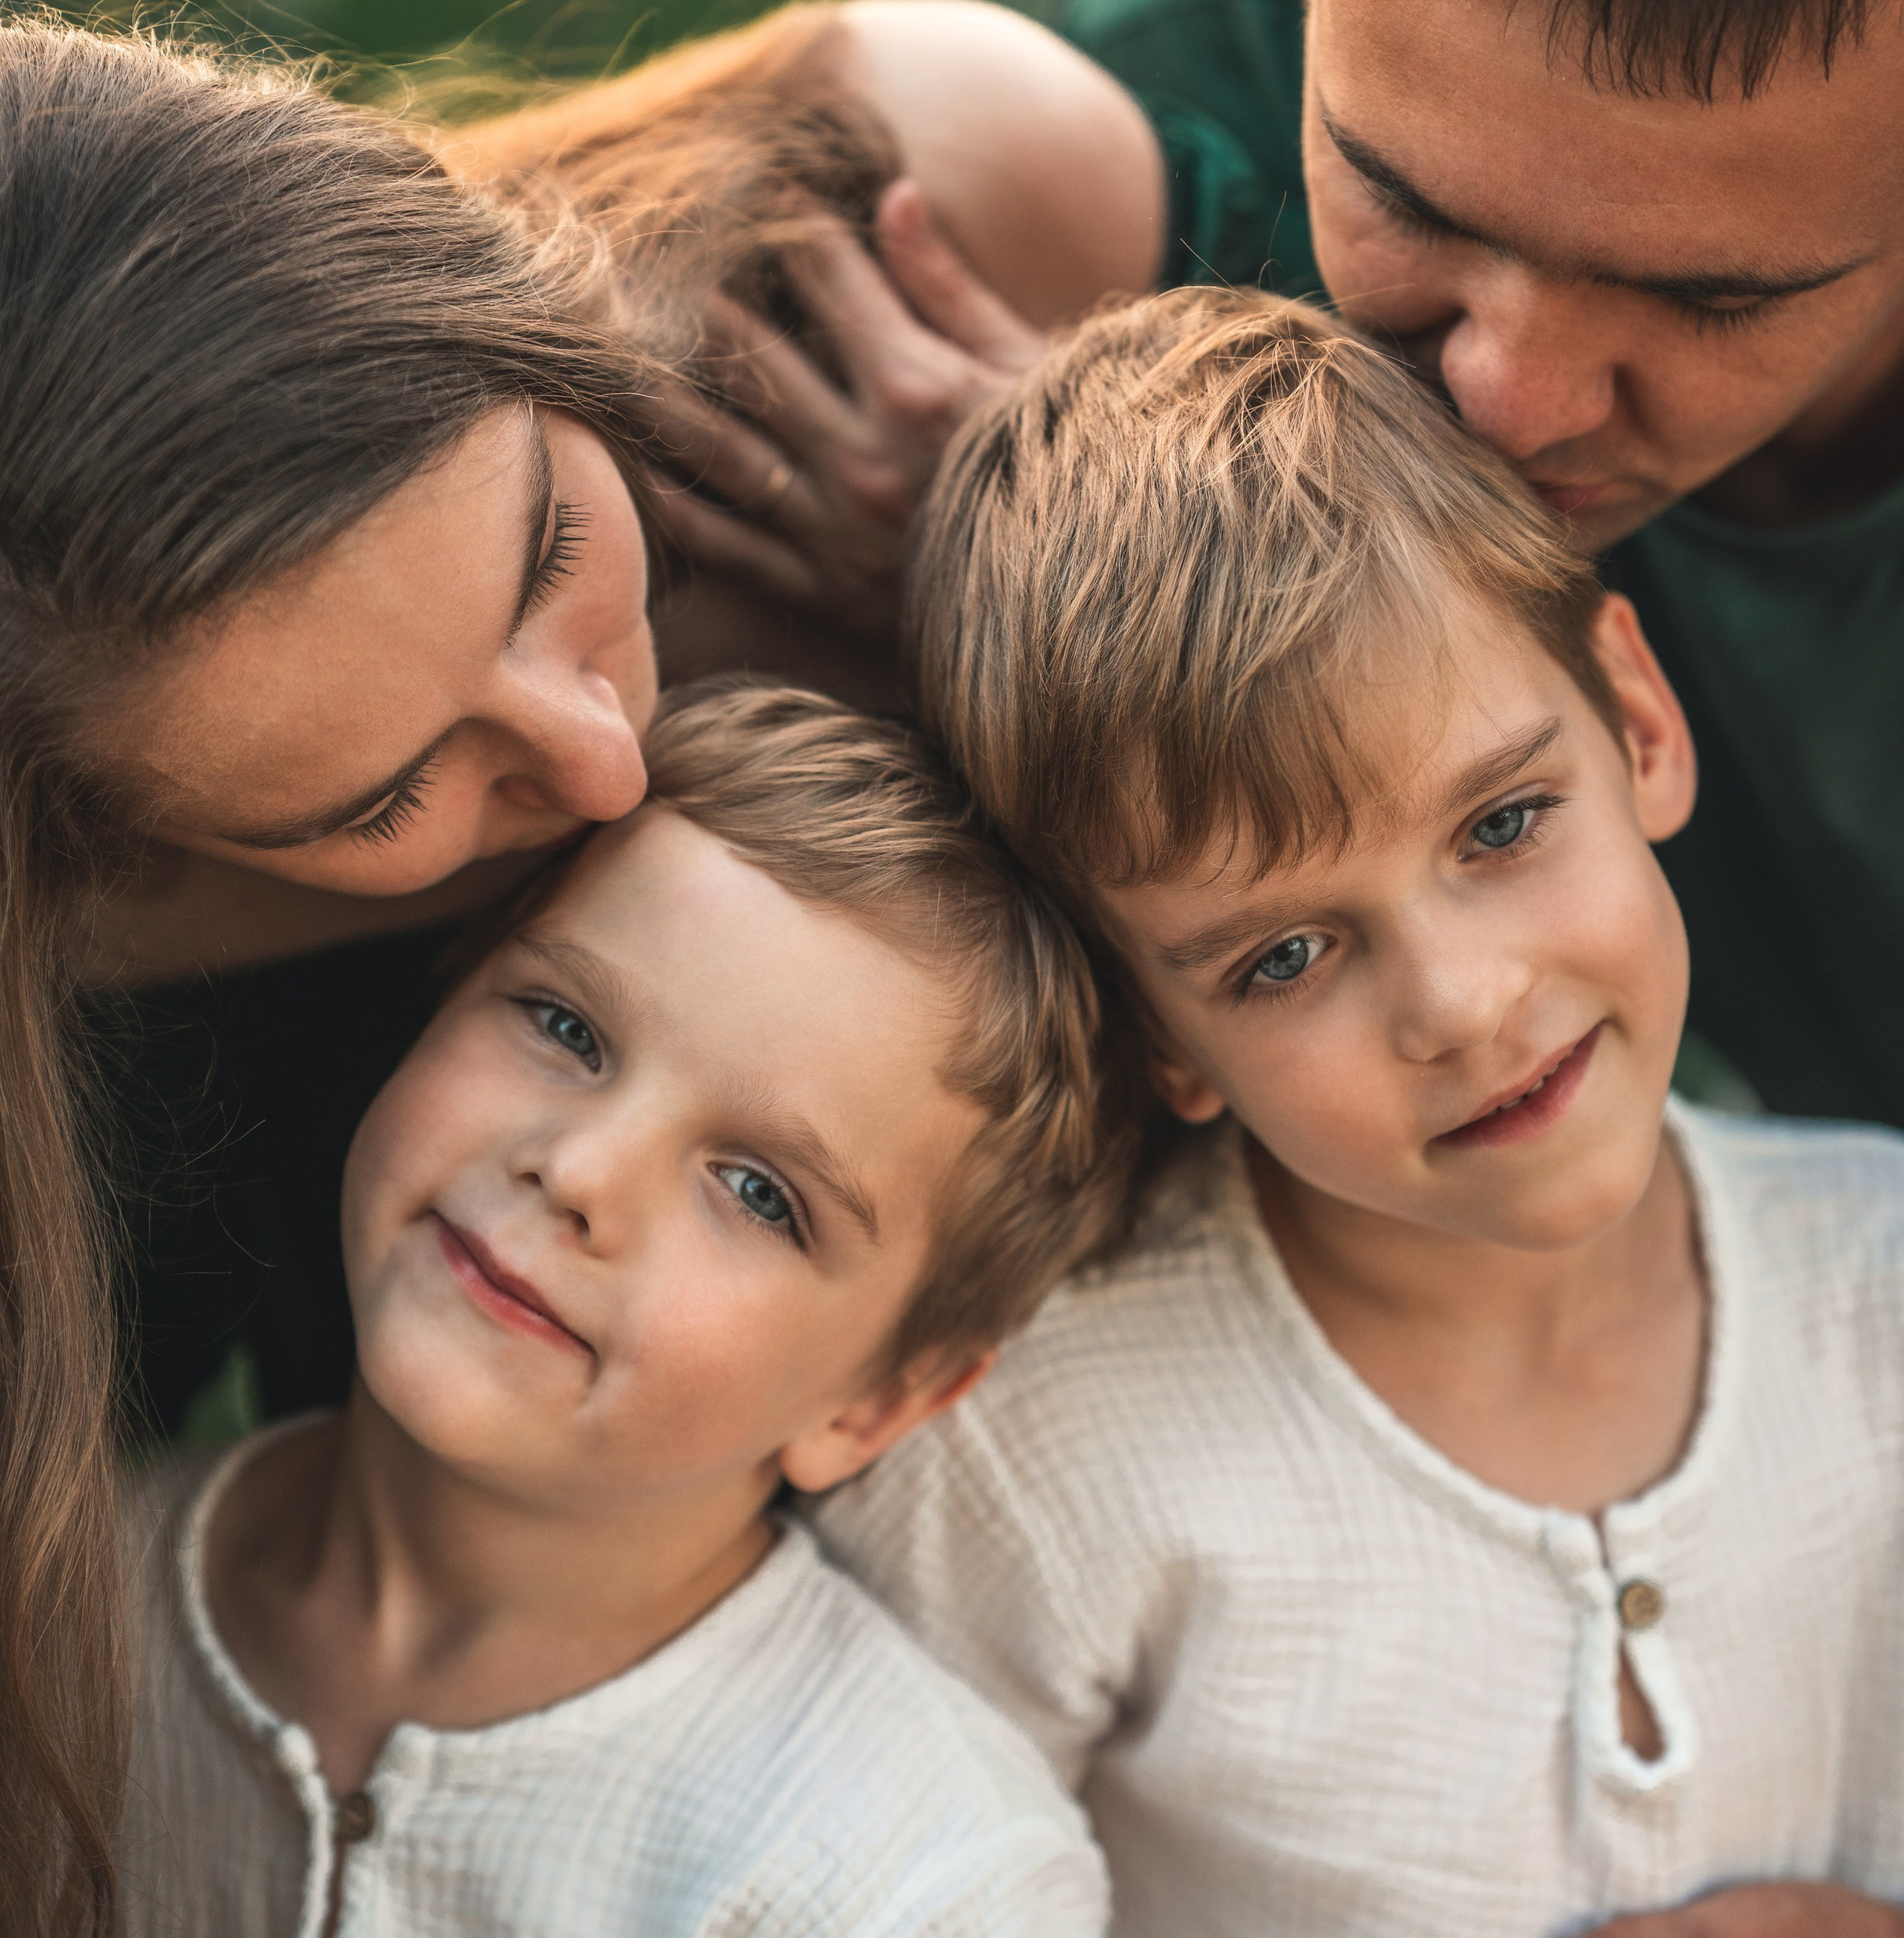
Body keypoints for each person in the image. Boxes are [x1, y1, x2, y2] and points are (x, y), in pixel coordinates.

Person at [815, 290, 1904, 1938]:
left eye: (1502, 823)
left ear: (1637, 720)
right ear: (1157, 1033)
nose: (1457, 1004)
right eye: (1283, 957)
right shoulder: (1027, 1454)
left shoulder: (1878, 1285)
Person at [684, 0, 1904, 1129]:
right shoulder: (1076, 153)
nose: (1506, 404)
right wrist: (1025, 596)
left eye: (1714, 303)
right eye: (1403, 203)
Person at [117, 682, 1131, 1936]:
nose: (578, 1171)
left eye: (758, 1193)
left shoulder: (923, 1880)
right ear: (441, 994)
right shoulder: (45, 1588)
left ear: (876, 1404)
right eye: (565, 1026)